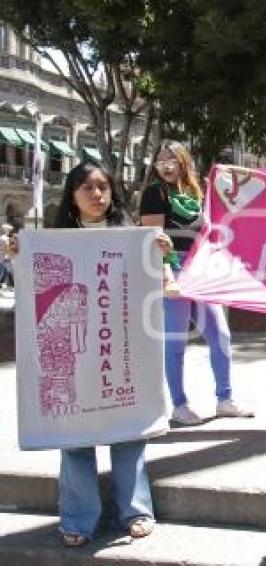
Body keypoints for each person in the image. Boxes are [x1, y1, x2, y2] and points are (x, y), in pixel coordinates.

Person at [9, 161, 168, 546]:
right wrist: (15, 254)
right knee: (74, 434)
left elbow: (154, 283)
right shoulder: (51, 240)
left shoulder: (131, 237)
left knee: (130, 430)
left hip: (119, 350)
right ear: (72, 195)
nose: (98, 195)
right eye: (87, 188)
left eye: (103, 187)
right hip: (75, 354)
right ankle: (79, 519)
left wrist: (161, 253)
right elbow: (31, 288)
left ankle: (136, 510)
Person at [140, 140, 253, 426]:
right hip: (172, 270)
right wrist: (167, 274)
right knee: (176, 342)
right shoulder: (154, 193)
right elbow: (152, 240)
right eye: (160, 160)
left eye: (172, 159)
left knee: (220, 335)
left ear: (183, 161)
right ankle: (179, 406)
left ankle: (225, 400)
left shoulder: (197, 191)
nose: (166, 165)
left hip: (202, 271)